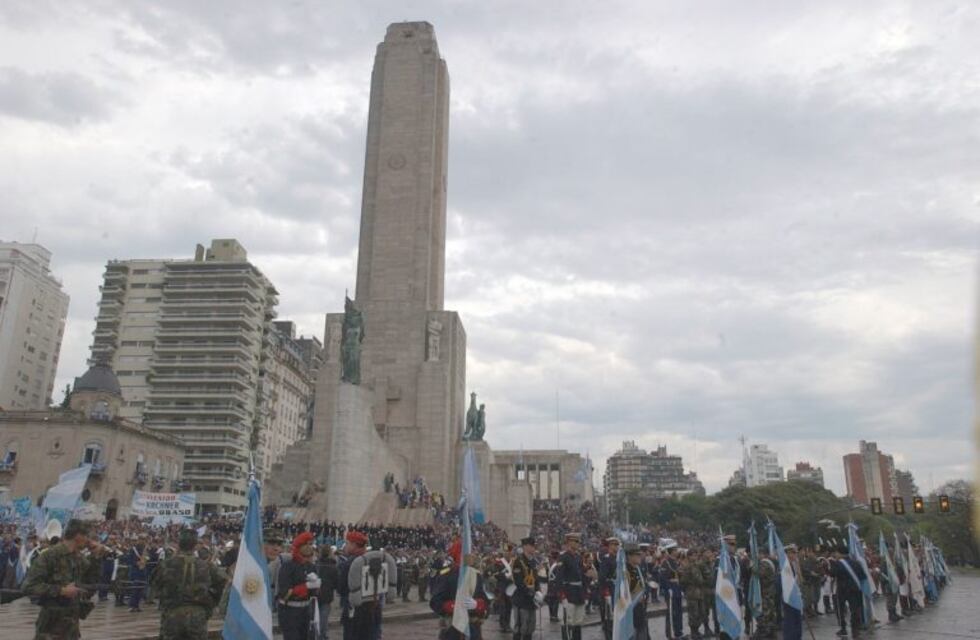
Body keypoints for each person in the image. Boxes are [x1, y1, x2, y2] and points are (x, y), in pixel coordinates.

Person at [22, 519, 106, 640]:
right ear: (78, 536)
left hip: (71, 629)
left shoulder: (80, 559)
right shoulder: (50, 556)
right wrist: (60, 590)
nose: (89, 541)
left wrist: (96, 557)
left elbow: (90, 586)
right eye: (87, 536)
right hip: (50, 630)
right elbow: (28, 586)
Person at [152, 528, 226, 640]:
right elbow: (221, 583)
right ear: (195, 545)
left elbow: (154, 584)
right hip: (198, 614)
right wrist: (210, 602)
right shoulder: (206, 566)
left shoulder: (166, 564)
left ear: (179, 544)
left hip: (172, 613)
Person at [429, 539, 489, 639]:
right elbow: (435, 602)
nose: (472, 556)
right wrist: (453, 606)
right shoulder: (446, 575)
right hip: (452, 629)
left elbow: (485, 601)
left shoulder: (476, 575)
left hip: (473, 629)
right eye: (468, 553)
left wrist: (477, 604)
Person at [277, 532, 321, 640]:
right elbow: (283, 593)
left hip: (305, 610)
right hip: (290, 611)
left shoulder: (311, 567)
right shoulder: (288, 567)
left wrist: (316, 587)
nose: (311, 547)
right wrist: (305, 587)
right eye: (309, 544)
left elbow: (314, 594)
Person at [554, 532, 594, 640]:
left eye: (578, 541)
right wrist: (562, 596)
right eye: (575, 541)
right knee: (568, 622)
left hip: (579, 593)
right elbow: (559, 578)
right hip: (569, 592)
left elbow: (582, 575)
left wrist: (589, 578)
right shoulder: (563, 557)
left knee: (578, 622)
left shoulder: (578, 557)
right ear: (569, 542)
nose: (577, 544)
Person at [509, 536, 545, 640]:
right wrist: (531, 593)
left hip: (531, 600)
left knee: (530, 627)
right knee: (520, 627)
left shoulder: (533, 561)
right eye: (531, 546)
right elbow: (519, 582)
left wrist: (538, 592)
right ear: (525, 547)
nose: (534, 548)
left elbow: (536, 578)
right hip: (521, 599)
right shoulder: (518, 561)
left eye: (534, 546)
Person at [657, 542, 684, 640]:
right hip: (671, 591)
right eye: (675, 550)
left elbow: (679, 576)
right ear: (671, 551)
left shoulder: (676, 562)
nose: (677, 551)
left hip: (677, 590)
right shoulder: (666, 562)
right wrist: (668, 588)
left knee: (679, 611)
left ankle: (679, 632)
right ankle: (671, 634)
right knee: (672, 612)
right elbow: (662, 578)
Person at [625, 543, 650, 640]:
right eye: (637, 555)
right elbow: (623, 592)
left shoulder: (637, 569)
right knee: (633, 633)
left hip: (640, 607)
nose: (640, 556)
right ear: (630, 556)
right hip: (631, 608)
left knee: (642, 631)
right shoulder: (625, 571)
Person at [597, 537, 620, 640]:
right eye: (614, 544)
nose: (616, 546)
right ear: (610, 545)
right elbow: (602, 577)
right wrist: (606, 592)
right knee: (609, 617)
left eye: (617, 544)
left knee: (618, 616)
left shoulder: (618, 558)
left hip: (618, 589)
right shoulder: (606, 558)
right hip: (610, 589)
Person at [315, 545, 339, 640]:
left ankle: (315, 634)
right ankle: (322, 635)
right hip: (327, 595)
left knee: (314, 616)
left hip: (315, 593)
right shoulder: (333, 567)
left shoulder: (316, 565)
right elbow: (336, 583)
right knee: (324, 618)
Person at [781, 545, 803, 640]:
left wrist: (798, 567)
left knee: (797, 622)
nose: (796, 555)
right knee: (790, 623)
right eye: (794, 552)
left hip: (796, 597)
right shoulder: (784, 566)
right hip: (788, 598)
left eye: (796, 552)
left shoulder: (794, 565)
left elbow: (800, 581)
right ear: (788, 553)